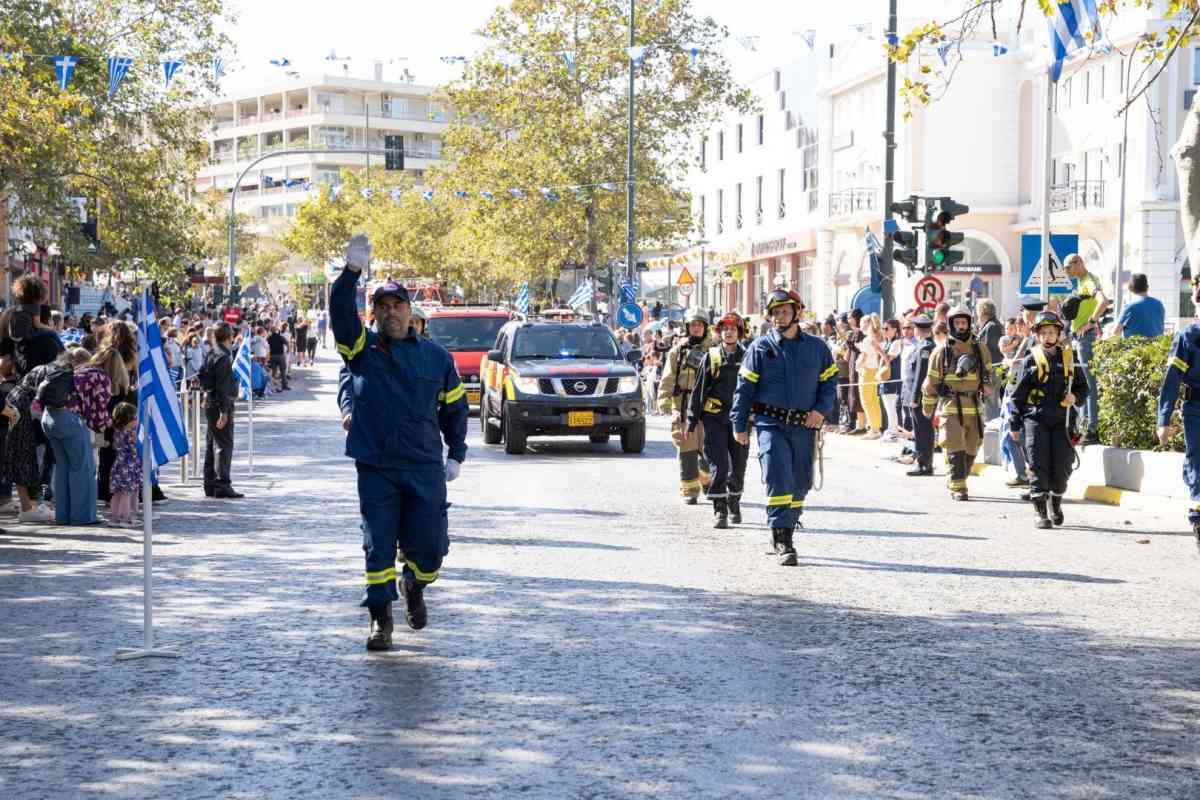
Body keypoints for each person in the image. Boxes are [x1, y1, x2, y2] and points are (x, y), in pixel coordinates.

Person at [332, 234, 468, 652]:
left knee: (430, 549)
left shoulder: (436, 358)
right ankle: (380, 620)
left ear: (410, 311)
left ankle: (415, 583)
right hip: (377, 465)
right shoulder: (362, 349)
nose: (391, 312)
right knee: (377, 545)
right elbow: (340, 314)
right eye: (383, 307)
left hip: (425, 466)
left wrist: (457, 453)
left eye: (398, 306)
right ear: (373, 314)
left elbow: (455, 408)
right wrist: (350, 274)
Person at [731, 289, 837, 567]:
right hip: (770, 425)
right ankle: (782, 538)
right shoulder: (760, 347)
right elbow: (744, 389)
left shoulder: (817, 347)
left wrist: (820, 410)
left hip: (805, 427)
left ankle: (788, 522)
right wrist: (739, 424)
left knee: (800, 483)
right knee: (779, 477)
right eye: (776, 312)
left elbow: (829, 384)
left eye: (785, 311)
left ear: (797, 313)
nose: (780, 317)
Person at [1009, 311, 1088, 529]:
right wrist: (1014, 425)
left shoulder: (1070, 359)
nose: (1047, 337)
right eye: (1043, 333)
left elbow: (1083, 389)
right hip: (1036, 418)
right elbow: (1017, 396)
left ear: (1059, 334)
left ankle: (1056, 503)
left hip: (1063, 420)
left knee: (1062, 467)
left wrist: (1076, 397)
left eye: (1052, 332)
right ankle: (1040, 511)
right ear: (1037, 335)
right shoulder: (1030, 360)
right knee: (1037, 464)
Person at [921, 305, 993, 501]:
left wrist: (988, 385)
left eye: (964, 323)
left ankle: (957, 477)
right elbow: (931, 383)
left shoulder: (980, 349)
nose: (961, 326)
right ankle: (958, 487)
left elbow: (990, 375)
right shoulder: (941, 352)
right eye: (958, 323)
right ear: (951, 324)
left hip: (974, 407)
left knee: (972, 447)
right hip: (951, 407)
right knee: (954, 444)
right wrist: (928, 407)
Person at [689, 313, 749, 529]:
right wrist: (691, 420)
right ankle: (719, 509)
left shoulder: (749, 356)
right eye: (725, 329)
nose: (729, 332)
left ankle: (734, 501)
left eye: (733, 328)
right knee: (720, 465)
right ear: (720, 332)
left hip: (740, 420)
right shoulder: (712, 356)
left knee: (739, 466)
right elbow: (699, 390)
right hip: (714, 418)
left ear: (739, 332)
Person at [1157, 273, 1200, 552]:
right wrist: (1163, 419)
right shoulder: (1189, 336)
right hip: (1196, 410)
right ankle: (1199, 518)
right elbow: (1172, 379)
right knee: (1198, 465)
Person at [658, 310, 713, 504]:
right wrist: (664, 400)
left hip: (708, 407)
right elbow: (668, 377)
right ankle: (689, 490)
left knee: (710, 449)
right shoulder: (678, 351)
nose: (696, 328)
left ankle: (707, 479)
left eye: (700, 324)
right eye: (693, 325)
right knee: (686, 449)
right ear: (688, 327)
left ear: (705, 327)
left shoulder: (715, 350)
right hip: (682, 405)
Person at [1063, 253, 1110, 444]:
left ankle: (1092, 429)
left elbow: (1103, 301)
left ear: (1079, 263)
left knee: (1088, 383)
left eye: (1068, 268)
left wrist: (1090, 323)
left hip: (1086, 337)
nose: (1066, 272)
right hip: (1079, 337)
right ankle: (1085, 427)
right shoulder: (1082, 282)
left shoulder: (1089, 280)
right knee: (1081, 382)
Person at [199, 323, 244, 499]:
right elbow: (223, 386)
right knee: (224, 445)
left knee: (212, 444)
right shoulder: (224, 357)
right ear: (228, 337)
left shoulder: (211, 352)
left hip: (211, 402)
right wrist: (224, 412)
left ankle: (209, 484)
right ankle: (222, 485)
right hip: (219, 404)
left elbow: (202, 375)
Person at [901, 315, 936, 477]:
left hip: (920, 396)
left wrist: (915, 398)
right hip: (915, 395)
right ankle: (924, 462)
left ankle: (924, 464)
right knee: (921, 430)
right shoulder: (922, 345)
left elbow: (921, 375)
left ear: (918, 329)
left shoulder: (925, 348)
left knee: (923, 430)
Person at [108, 402, 141, 528]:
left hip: (119, 465)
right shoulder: (131, 433)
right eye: (135, 417)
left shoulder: (117, 431)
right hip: (130, 466)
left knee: (118, 493)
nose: (137, 420)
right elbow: (134, 449)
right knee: (129, 493)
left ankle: (115, 517)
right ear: (128, 420)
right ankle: (126, 518)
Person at [976, 299, 1004, 422]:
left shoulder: (991, 327)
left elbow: (987, 351)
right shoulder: (993, 325)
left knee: (991, 403)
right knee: (990, 402)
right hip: (993, 370)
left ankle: (992, 432)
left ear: (982, 312)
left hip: (992, 371)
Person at [1114, 273, 1165, 339]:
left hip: (1135, 347)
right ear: (1147, 287)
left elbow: (1116, 332)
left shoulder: (1129, 306)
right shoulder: (1159, 304)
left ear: (1130, 288)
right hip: (1157, 346)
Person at [267, 325, 289, 390]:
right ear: (276, 331)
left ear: (271, 331)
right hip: (280, 355)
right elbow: (287, 343)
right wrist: (288, 350)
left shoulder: (269, 338)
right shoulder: (280, 337)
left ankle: (273, 386)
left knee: (273, 371)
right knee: (283, 371)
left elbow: (266, 346)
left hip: (272, 356)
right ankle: (284, 385)